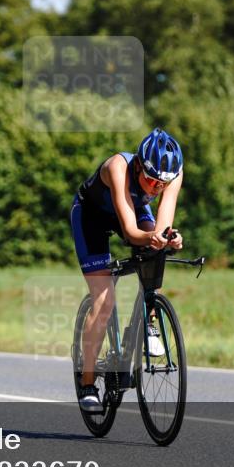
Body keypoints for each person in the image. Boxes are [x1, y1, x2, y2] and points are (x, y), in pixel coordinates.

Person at [69, 128, 185, 413]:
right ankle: (86, 383)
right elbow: (132, 232)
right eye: (150, 180)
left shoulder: (174, 174)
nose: (156, 188)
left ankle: (150, 322)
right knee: (104, 300)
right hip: (91, 217)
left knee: (158, 248)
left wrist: (170, 237)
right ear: (138, 166)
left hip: (133, 210)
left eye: (162, 184)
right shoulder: (117, 167)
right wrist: (151, 238)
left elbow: (162, 224)